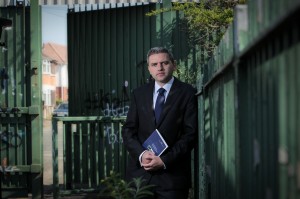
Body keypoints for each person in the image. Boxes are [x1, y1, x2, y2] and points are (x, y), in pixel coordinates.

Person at [122, 47, 198, 199]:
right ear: (149, 68)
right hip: (140, 177)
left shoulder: (188, 92)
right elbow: (128, 130)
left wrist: (164, 160)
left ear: (173, 65)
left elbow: (190, 134)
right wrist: (142, 154)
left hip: (172, 179)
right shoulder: (139, 93)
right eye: (154, 64)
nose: (160, 68)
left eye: (164, 63)